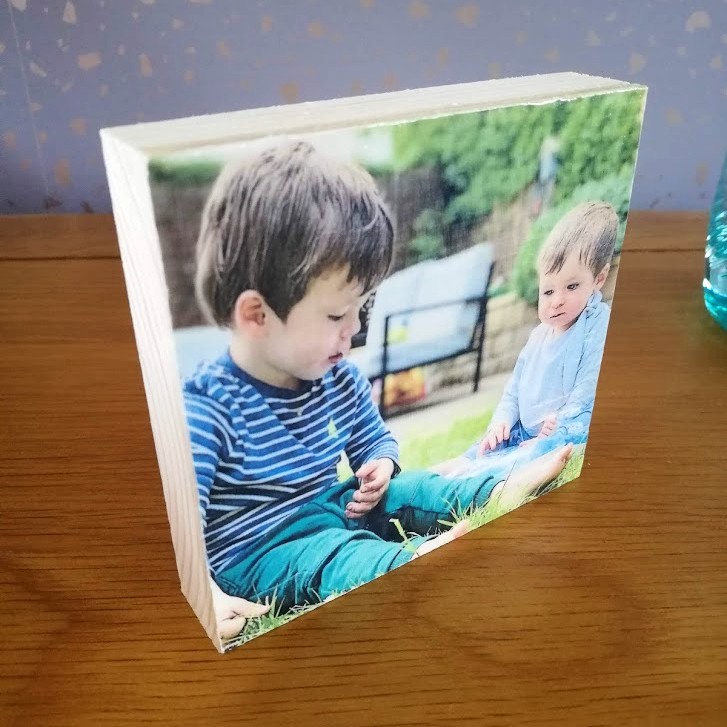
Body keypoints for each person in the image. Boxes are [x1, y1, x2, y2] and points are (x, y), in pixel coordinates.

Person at [183, 140, 574, 639]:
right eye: (336, 315)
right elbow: (180, 531)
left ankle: (495, 488)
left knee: (413, 488)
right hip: (259, 552)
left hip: (333, 506)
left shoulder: (338, 376)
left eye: (361, 308)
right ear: (257, 315)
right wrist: (205, 593)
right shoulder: (207, 410)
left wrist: (380, 463)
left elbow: (373, 439)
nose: (354, 330)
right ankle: (410, 563)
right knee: (335, 556)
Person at [433, 201, 617, 478]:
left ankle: (483, 473)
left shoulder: (596, 324)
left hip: (567, 426)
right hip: (523, 430)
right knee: (484, 448)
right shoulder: (537, 337)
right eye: (548, 291)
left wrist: (558, 426)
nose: (556, 301)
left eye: (571, 286)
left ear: (598, 279)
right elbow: (514, 391)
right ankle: (446, 469)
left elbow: (587, 392)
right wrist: (501, 422)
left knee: (552, 448)